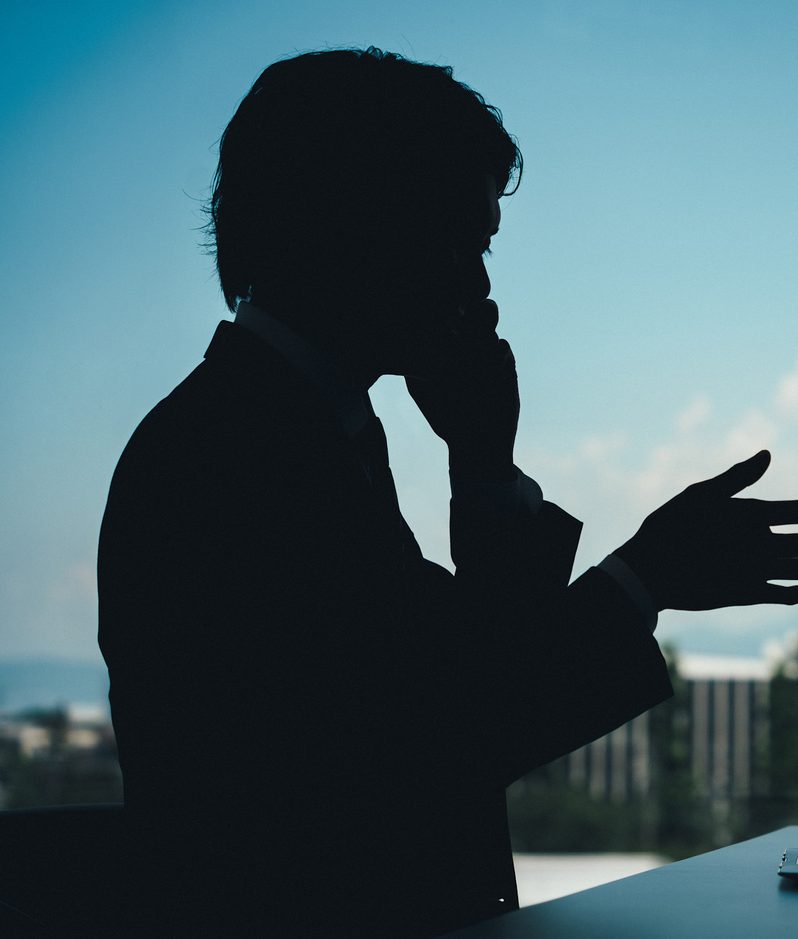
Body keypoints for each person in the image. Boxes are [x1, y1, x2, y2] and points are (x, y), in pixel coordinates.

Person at [97, 47, 798, 936]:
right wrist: (646, 576)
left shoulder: (283, 431)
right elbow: (448, 730)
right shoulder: (226, 460)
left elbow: (467, 672)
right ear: (356, 225)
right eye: (460, 239)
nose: (480, 286)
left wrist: (482, 459)